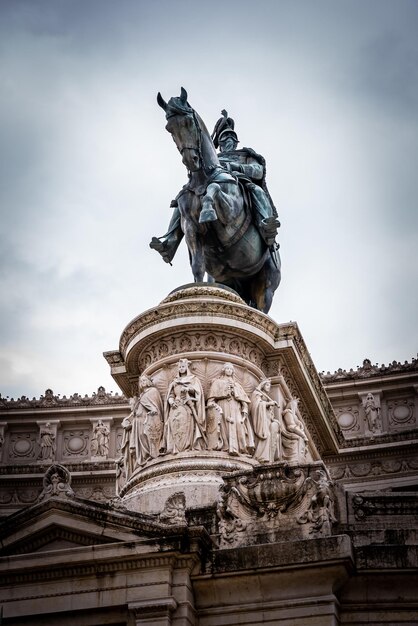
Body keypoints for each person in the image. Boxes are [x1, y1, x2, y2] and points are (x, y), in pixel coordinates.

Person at [150, 109, 280, 264]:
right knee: (184, 197)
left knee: (256, 190)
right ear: (220, 142)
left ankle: (266, 226)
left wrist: (235, 167)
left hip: (239, 183)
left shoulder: (245, 155)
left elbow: (258, 172)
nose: (228, 140)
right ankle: (170, 242)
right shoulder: (213, 158)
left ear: (236, 141)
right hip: (209, 183)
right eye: (224, 137)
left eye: (231, 137)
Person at [207, 363, 254, 456]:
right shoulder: (217, 382)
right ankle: (226, 447)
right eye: (227, 368)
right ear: (224, 370)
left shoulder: (237, 385)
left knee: (238, 425)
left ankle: (242, 449)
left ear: (233, 371)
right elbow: (210, 401)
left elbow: (244, 402)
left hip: (236, 407)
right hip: (223, 405)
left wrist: (244, 410)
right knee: (224, 427)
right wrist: (216, 407)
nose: (229, 370)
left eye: (231, 369)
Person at [165, 359, 206, 454]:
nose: (181, 368)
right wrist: (171, 402)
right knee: (174, 425)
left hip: (187, 406)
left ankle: (189, 445)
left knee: (187, 425)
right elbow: (170, 395)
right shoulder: (174, 382)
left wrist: (187, 389)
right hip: (175, 407)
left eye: (183, 366)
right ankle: (174, 447)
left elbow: (197, 391)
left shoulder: (193, 379)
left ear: (187, 367)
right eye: (179, 367)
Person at [131, 375, 164, 465]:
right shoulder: (141, 395)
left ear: (149, 381)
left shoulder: (153, 391)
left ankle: (151, 453)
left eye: (144, 380)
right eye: (141, 381)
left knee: (146, 435)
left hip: (147, 418)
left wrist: (154, 410)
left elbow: (156, 405)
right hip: (139, 419)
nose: (143, 382)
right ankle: (144, 455)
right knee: (141, 436)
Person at [250, 379, 280, 463]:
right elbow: (256, 405)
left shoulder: (266, 397)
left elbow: (270, 413)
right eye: (267, 385)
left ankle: (268, 457)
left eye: (270, 386)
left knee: (271, 436)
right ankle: (260, 456)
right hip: (261, 419)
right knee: (266, 435)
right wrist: (268, 404)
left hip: (267, 419)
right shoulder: (258, 393)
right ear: (263, 385)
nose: (268, 388)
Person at [281, 398, 308, 463]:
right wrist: (303, 435)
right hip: (292, 435)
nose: (295, 408)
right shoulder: (288, 412)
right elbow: (290, 427)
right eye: (294, 405)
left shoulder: (294, 416)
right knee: (298, 439)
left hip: (298, 435)